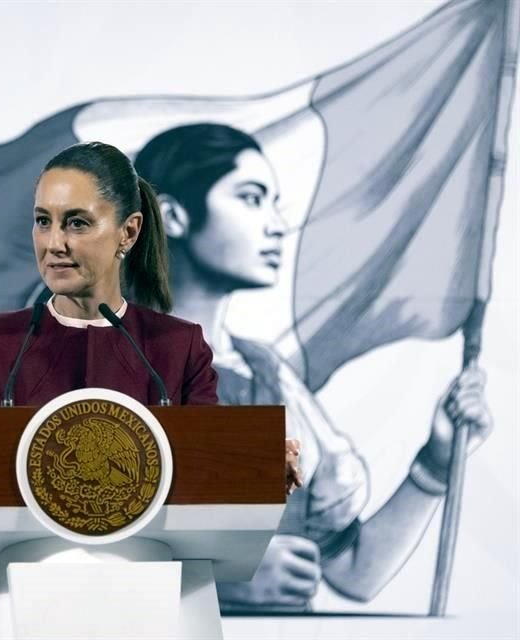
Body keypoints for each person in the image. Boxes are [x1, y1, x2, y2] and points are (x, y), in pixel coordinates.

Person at [133, 123, 493, 609]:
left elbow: (353, 571)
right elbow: (47, 564)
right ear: (171, 216)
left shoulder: (268, 373)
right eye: (251, 198)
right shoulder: (97, 367)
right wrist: (219, 582)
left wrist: (436, 461)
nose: (277, 224)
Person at [0, 140, 304, 506]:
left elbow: (211, 473)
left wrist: (261, 468)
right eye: (43, 222)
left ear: (128, 234)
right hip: (20, 589)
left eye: (76, 223)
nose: (54, 243)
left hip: (147, 592)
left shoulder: (178, 347)